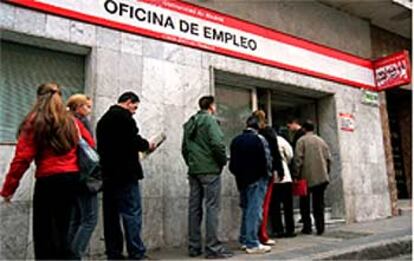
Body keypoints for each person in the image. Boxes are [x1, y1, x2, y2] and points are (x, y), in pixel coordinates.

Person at [0, 83, 94, 259]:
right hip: (71, 179)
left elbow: (22, 159)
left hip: (49, 180)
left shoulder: (34, 121)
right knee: (63, 232)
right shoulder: (71, 121)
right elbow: (90, 143)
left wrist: (8, 189)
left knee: (44, 234)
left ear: (39, 98)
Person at [96, 92, 155, 260]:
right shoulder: (124, 118)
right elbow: (133, 140)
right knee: (132, 213)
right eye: (135, 107)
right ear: (129, 102)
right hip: (126, 174)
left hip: (108, 174)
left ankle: (114, 253)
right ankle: (136, 252)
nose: (135, 111)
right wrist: (147, 145)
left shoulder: (103, 120)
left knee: (111, 216)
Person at [181, 95, 233, 259]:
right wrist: (221, 161)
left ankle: (194, 247)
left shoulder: (190, 123)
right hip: (210, 170)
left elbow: (184, 148)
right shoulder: (210, 121)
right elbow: (217, 144)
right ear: (211, 106)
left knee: (194, 208)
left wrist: (192, 164)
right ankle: (213, 248)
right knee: (212, 208)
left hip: (194, 170)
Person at [229, 115, 272, 254]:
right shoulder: (260, 139)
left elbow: (232, 165)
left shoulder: (235, 141)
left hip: (242, 181)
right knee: (255, 210)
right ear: (258, 127)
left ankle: (244, 239)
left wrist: (240, 175)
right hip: (257, 179)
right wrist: (266, 175)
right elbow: (267, 161)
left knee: (247, 209)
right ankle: (252, 243)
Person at [66, 94, 99, 259]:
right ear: (78, 107)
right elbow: (88, 151)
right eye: (87, 106)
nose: (89, 110)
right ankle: (76, 255)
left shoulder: (68, 122)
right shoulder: (79, 124)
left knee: (77, 218)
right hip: (85, 176)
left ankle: (69, 255)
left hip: (74, 174)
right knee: (90, 219)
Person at [293, 120, 331, 235]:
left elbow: (298, 160)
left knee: (304, 204)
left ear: (304, 129)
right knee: (319, 203)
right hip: (321, 177)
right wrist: (326, 172)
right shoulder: (322, 141)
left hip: (306, 177)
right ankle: (320, 227)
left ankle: (307, 227)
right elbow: (328, 159)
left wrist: (296, 174)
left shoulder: (301, 141)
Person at [252, 110, 284, 246]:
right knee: (264, 205)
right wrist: (280, 170)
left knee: (251, 206)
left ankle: (251, 234)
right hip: (266, 172)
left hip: (251, 174)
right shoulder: (269, 132)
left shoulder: (251, 134)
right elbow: (275, 153)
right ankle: (262, 235)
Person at [271, 130, 296, 238]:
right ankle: (290, 229)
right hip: (285, 177)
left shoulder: (267, 141)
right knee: (288, 206)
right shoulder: (281, 140)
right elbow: (290, 154)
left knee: (275, 206)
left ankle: (278, 229)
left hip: (274, 178)